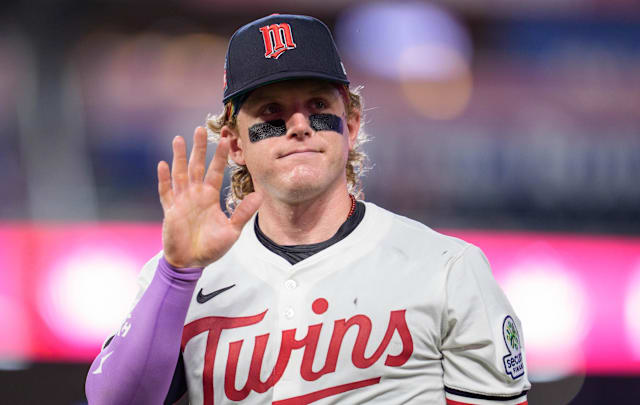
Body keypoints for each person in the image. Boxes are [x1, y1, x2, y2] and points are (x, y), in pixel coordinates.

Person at [85, 14, 531, 405]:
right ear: (235, 143)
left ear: (351, 124)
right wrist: (177, 274)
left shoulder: (448, 270)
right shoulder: (182, 277)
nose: (298, 126)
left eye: (317, 105)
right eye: (271, 112)